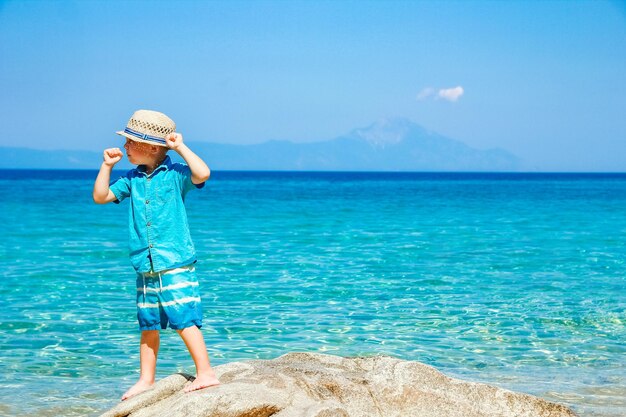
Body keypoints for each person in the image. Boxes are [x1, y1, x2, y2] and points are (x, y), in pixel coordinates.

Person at [92, 109, 220, 401]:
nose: (124, 148)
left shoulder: (175, 175)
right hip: (144, 263)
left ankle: (206, 373)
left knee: (184, 317)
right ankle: (146, 380)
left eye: (130, 143)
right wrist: (106, 166)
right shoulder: (132, 179)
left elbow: (203, 173)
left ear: (151, 147)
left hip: (174, 260)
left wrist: (180, 147)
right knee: (148, 323)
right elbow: (100, 197)